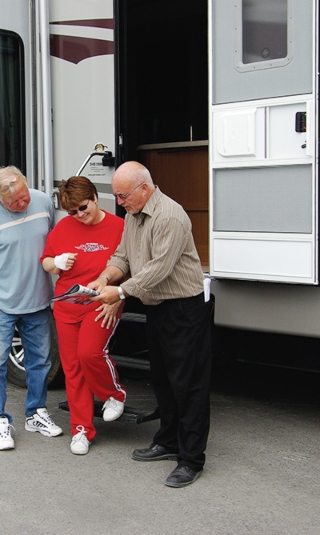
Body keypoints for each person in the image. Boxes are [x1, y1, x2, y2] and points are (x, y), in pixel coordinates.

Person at [89, 161, 212, 487]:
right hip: (157, 307)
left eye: (123, 196)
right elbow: (123, 257)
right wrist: (105, 278)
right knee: (163, 380)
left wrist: (120, 292)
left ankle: (191, 459)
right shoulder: (134, 214)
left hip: (183, 310)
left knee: (188, 385)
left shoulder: (169, 216)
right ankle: (168, 441)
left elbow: (158, 270)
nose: (120, 203)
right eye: (117, 196)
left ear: (144, 188)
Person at [0, 165, 63, 451]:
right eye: (14, 202)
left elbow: (52, 241)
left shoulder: (42, 201)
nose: (22, 203)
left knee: (40, 361)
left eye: (23, 196)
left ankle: (36, 412)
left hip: (38, 298)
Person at [41, 176, 127, 455]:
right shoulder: (64, 227)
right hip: (67, 304)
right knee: (72, 367)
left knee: (89, 353)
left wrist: (118, 297)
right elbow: (46, 262)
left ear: (95, 198)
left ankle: (113, 394)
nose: (79, 214)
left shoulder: (119, 226)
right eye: (72, 211)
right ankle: (81, 429)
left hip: (102, 303)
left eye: (83, 207)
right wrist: (56, 262)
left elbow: (131, 266)